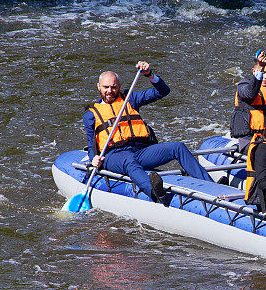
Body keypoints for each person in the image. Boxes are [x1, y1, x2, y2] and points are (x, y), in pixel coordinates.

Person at [83, 61, 214, 206]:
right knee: (128, 161)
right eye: (106, 87)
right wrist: (93, 159)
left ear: (119, 86)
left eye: (113, 87)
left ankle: (212, 187)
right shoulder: (90, 114)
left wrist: (149, 75)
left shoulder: (129, 99)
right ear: (98, 87)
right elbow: (91, 145)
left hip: (139, 151)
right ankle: (156, 194)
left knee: (178, 147)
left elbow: (163, 91)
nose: (110, 91)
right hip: (113, 156)